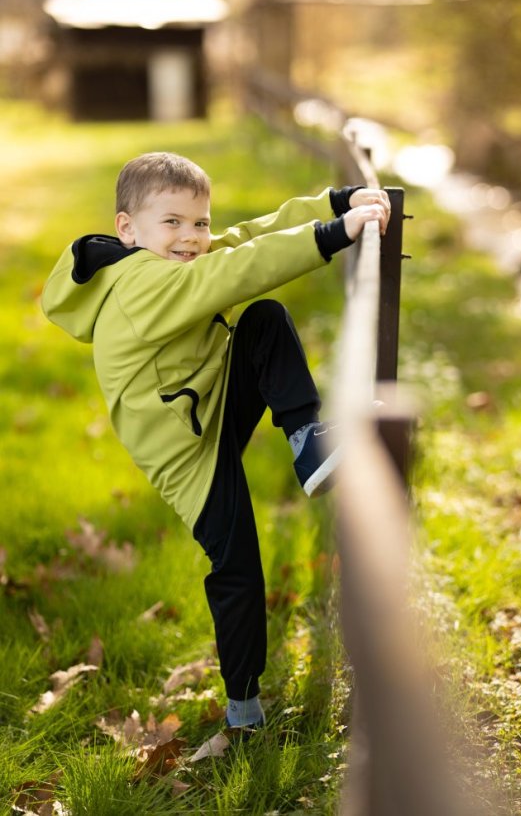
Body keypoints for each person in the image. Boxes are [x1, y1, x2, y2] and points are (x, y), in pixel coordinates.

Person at [41, 151, 390, 732]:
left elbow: (242, 240)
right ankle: (243, 707)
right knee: (238, 566)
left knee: (264, 321)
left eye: (198, 222)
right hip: (185, 453)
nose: (191, 236)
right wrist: (332, 235)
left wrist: (333, 203)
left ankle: (308, 442)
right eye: (172, 222)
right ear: (127, 228)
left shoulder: (166, 256)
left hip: (210, 402)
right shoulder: (140, 283)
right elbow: (235, 272)